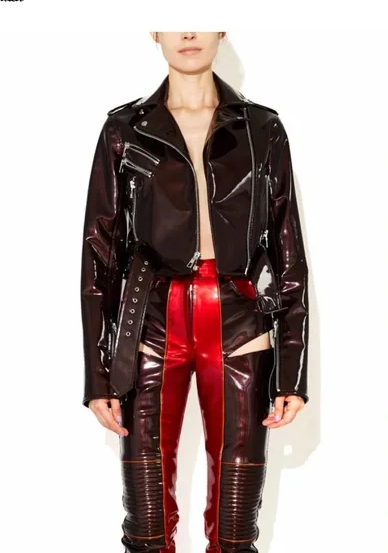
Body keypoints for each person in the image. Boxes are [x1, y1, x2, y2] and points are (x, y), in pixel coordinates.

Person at [80, 31, 310, 553]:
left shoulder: (261, 129)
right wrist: (98, 375)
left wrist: (292, 371)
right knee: (145, 528)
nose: (188, 32)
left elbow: (288, 250)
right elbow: (99, 253)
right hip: (148, 324)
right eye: (174, 18)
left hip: (241, 325)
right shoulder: (125, 129)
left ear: (222, 28)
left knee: (236, 530)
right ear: (154, 31)